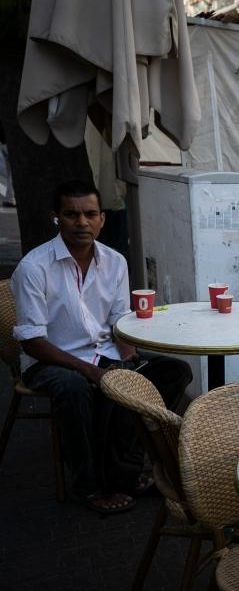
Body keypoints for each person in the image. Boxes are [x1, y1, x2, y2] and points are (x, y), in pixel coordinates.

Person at [12, 180, 192, 515]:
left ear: (102, 219)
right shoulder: (34, 268)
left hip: (103, 354)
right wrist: (89, 369)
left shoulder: (115, 262)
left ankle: (123, 467)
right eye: (71, 214)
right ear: (56, 218)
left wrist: (126, 355)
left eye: (90, 214)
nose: (82, 222)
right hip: (52, 361)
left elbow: (119, 321)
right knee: (77, 388)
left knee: (173, 371)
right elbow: (32, 341)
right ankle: (89, 486)